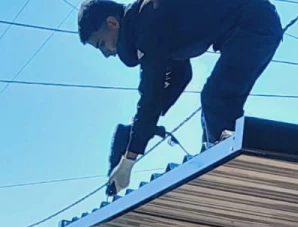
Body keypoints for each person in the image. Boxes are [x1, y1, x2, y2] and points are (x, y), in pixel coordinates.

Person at [77, 0, 284, 194]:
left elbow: (152, 94)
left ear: (112, 23)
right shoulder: (150, 18)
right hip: (253, 23)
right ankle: (220, 164)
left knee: (217, 100)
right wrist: (138, 130)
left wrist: (130, 158)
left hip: (253, 24)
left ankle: (230, 174)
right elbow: (180, 75)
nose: (107, 54)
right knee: (214, 116)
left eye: (102, 44)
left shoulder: (146, 23)